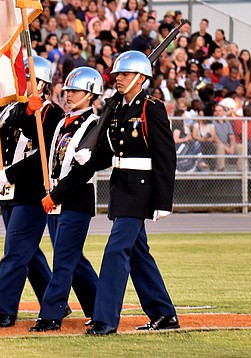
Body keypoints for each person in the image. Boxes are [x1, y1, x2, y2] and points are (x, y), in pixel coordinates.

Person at [83, 51, 179, 336]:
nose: (118, 79)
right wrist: (87, 154)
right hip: (121, 186)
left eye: (124, 74)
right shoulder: (117, 109)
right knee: (138, 254)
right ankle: (163, 313)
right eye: (117, 75)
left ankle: (105, 318)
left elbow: (165, 157)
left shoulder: (151, 108)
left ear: (140, 78)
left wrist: (163, 201)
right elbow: (111, 149)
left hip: (140, 190)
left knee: (116, 251)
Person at [0, 57, 60, 329]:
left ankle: (4, 311)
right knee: (28, 252)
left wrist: (12, 174)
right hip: (9, 191)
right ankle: (54, 302)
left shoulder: (52, 115)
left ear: (42, 84)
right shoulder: (12, 111)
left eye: (27, 81)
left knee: (14, 252)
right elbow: (0, 146)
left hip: (31, 192)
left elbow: (45, 154)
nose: (22, 86)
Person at [30, 66, 103, 332]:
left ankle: (50, 315)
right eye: (68, 89)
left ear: (91, 94)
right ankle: (100, 307)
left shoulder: (94, 125)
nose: (69, 94)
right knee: (73, 259)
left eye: (76, 90)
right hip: (55, 199)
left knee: (62, 259)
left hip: (76, 199)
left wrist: (55, 195)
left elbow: (83, 172)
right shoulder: (62, 122)